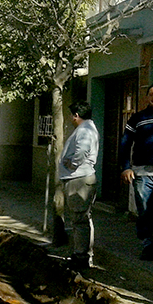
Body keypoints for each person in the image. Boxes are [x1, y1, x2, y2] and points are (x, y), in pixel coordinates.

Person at [120, 82, 153, 262]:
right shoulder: (138, 118)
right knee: (144, 212)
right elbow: (125, 143)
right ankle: (148, 245)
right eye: (152, 95)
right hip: (142, 175)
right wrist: (125, 167)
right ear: (147, 97)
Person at [59, 100, 99, 270]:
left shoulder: (84, 130)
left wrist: (73, 164)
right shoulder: (89, 128)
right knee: (83, 218)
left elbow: (82, 150)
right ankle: (82, 253)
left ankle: (81, 256)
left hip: (79, 180)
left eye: (71, 115)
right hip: (81, 178)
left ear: (76, 115)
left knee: (79, 219)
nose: (70, 118)